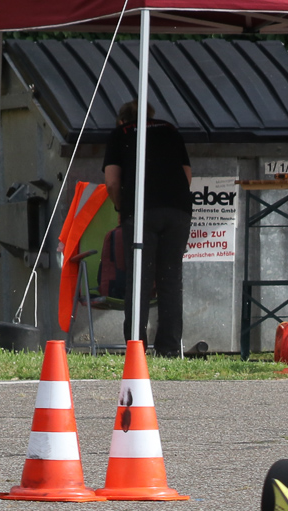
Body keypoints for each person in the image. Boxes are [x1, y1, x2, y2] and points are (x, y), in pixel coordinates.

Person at [102, 100, 192, 357]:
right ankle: (169, 349)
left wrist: (122, 207)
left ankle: (136, 349)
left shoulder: (120, 134)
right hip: (177, 209)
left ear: (122, 120)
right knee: (170, 279)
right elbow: (186, 175)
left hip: (141, 211)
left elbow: (111, 182)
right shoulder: (170, 130)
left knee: (139, 279)